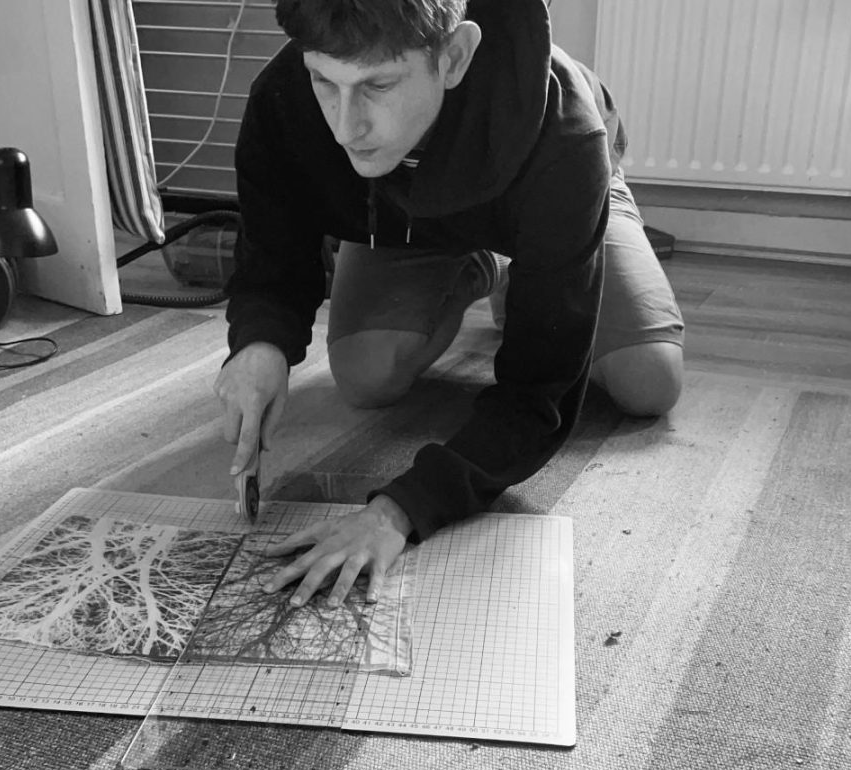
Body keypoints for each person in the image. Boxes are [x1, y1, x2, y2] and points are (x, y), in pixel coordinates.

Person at [214, 0, 684, 608]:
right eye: (324, 81)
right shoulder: (281, 97)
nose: (345, 127)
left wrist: (401, 510)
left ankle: (532, 264)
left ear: (454, 56)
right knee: (366, 375)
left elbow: (538, 394)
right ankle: (481, 265)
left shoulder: (567, 137)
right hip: (401, 212)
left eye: (378, 85)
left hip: (544, 188)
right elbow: (271, 257)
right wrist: (260, 343)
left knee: (648, 381)